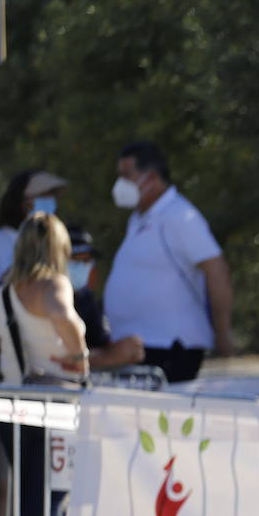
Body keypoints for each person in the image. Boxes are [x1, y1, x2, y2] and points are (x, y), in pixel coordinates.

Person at [0, 212, 88, 516]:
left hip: (11, 408)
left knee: (29, 501)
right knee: (50, 502)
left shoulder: (3, 292)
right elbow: (69, 322)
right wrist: (79, 359)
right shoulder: (54, 285)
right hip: (53, 408)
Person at [103, 141, 235, 382]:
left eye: (126, 175)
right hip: (140, 346)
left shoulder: (180, 216)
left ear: (151, 178)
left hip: (172, 347)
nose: (120, 184)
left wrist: (222, 331)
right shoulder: (138, 218)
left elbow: (217, 270)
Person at [60, 226, 145, 372]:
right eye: (76, 260)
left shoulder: (85, 297)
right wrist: (106, 358)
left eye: (87, 261)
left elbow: (100, 343)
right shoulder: (46, 296)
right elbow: (56, 358)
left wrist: (122, 349)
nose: (83, 266)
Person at [0, 169, 69, 299]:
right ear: (24, 202)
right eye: (43, 195)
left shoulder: (52, 239)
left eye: (51, 195)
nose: (50, 201)